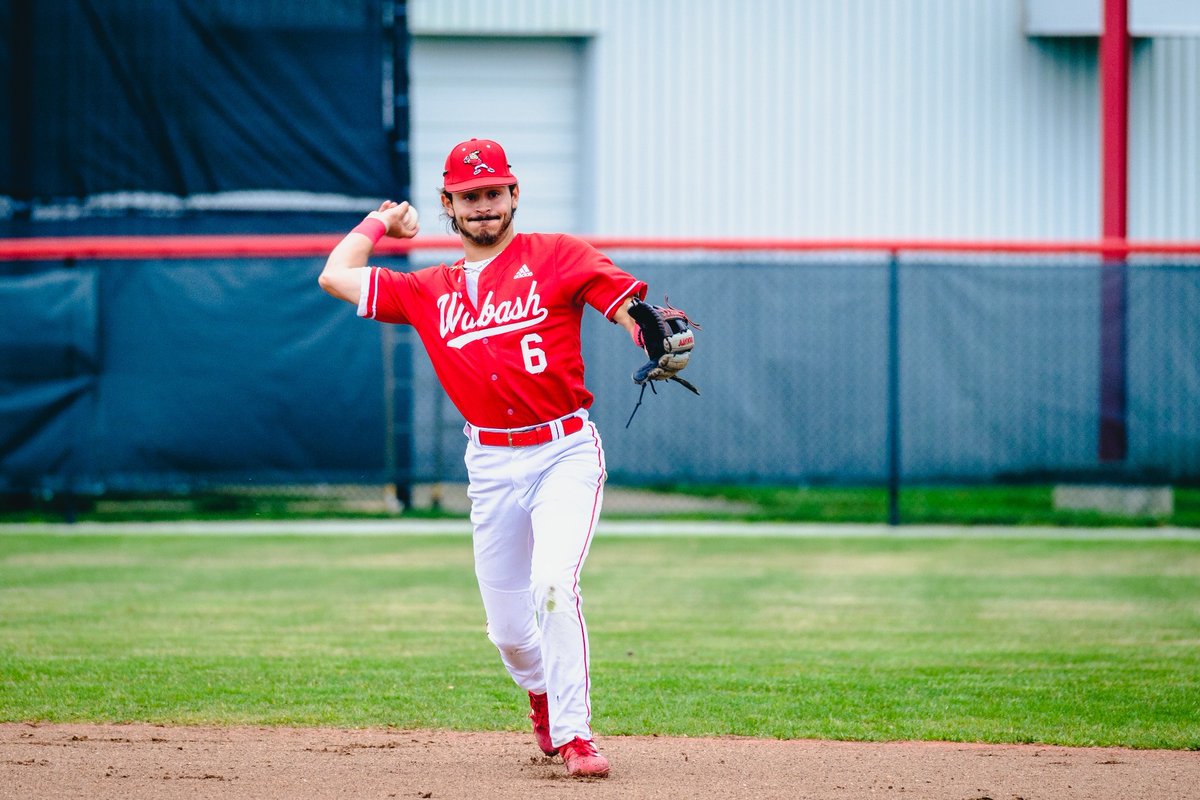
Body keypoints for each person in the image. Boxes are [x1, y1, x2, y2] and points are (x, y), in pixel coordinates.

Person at [318, 138, 692, 778]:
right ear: (448, 205)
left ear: (514, 194)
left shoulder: (558, 254)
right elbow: (334, 274)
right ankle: (540, 694)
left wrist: (644, 330)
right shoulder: (427, 289)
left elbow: (625, 306)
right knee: (511, 633)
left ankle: (576, 737)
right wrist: (380, 221)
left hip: (563, 451)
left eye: (493, 192)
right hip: (490, 464)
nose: (483, 205)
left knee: (553, 583)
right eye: (469, 196)